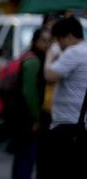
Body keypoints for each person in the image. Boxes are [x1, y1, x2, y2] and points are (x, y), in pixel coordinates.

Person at [43, 16, 87, 178]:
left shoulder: (74, 52)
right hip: (79, 124)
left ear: (68, 36)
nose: (58, 45)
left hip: (67, 127)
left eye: (58, 40)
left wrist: (50, 55)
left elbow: (50, 75)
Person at [10, 29, 50, 179]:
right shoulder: (33, 61)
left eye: (49, 41)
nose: (46, 44)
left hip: (22, 118)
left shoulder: (34, 57)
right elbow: (29, 92)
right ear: (35, 41)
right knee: (26, 158)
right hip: (26, 119)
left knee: (21, 158)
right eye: (43, 41)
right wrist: (36, 118)